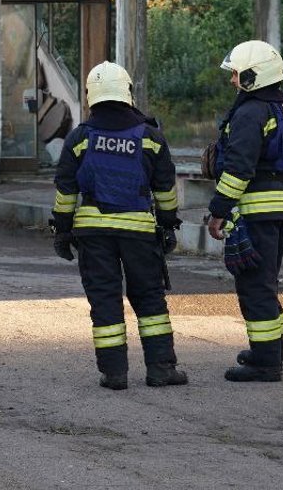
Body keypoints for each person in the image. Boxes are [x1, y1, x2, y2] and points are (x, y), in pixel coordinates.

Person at [50, 61, 187, 390]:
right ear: (127, 92)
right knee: (149, 299)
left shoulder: (80, 138)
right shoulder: (151, 137)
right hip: (139, 231)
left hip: (93, 233)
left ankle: (114, 373)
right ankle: (160, 369)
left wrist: (62, 231)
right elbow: (165, 189)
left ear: (90, 96)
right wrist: (168, 226)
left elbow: (66, 190)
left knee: (105, 298)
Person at [205, 40, 283, 383]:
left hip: (256, 206)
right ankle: (267, 351)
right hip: (281, 203)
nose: (233, 81)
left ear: (253, 76)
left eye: (237, 74)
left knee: (255, 285)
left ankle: (266, 363)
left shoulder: (251, 112)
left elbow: (239, 168)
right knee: (266, 282)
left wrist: (218, 211)